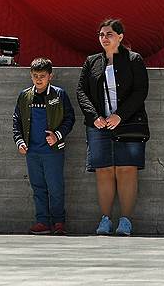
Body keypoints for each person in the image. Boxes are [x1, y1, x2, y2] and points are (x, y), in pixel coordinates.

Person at [76, 19, 149, 236]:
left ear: (120, 37)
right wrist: (94, 116)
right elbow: (81, 91)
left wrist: (120, 115)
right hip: (99, 125)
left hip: (128, 123)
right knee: (104, 171)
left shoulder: (133, 60)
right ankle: (105, 220)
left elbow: (140, 90)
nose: (104, 38)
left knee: (127, 170)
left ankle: (125, 221)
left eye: (109, 34)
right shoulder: (92, 61)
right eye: (101, 35)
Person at [12, 57, 75, 235]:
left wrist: (58, 135)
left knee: (55, 187)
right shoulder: (25, 96)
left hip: (53, 151)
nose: (38, 79)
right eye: (35, 75)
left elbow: (70, 118)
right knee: (38, 187)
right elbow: (16, 121)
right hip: (32, 151)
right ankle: (42, 221)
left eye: (42, 75)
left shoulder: (59, 94)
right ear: (31, 76)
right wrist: (19, 141)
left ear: (50, 76)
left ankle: (58, 222)